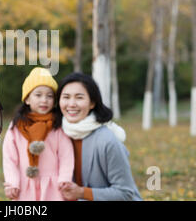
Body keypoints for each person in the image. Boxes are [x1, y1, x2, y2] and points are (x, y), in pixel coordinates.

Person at [57, 72, 142, 201]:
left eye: (79, 97)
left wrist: (81, 192)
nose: (71, 104)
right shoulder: (57, 135)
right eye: (66, 97)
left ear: (92, 103)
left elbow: (125, 193)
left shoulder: (107, 140)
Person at [2, 67, 74, 201]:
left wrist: (65, 178)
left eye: (49, 96)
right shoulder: (17, 126)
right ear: (27, 99)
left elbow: (66, 154)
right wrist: (12, 182)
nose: (44, 100)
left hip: (53, 186)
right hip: (25, 185)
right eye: (38, 95)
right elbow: (9, 158)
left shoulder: (57, 125)